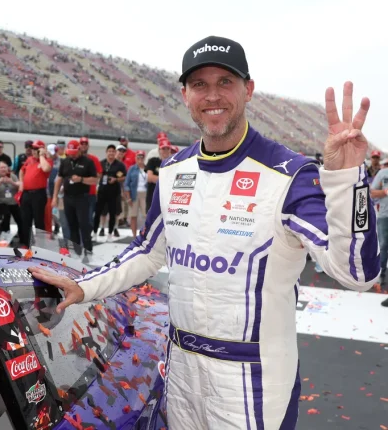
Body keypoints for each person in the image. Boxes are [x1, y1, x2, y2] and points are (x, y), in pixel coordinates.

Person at [28, 35, 379, 430]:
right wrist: (83, 285)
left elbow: (356, 274)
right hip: (181, 367)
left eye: (225, 82)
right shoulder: (174, 170)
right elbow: (148, 249)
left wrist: (348, 180)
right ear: (185, 95)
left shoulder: (290, 173)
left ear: (248, 89)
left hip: (253, 377)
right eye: (200, 85)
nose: (213, 95)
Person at [53, 140, 97, 262]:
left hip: (82, 197)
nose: (72, 155)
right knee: (72, 225)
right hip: (68, 198)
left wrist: (81, 180)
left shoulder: (88, 162)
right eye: (70, 153)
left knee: (84, 225)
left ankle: (88, 251)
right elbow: (59, 179)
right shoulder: (65, 161)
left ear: (79, 150)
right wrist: (55, 197)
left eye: (74, 152)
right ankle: (76, 251)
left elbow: (94, 180)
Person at [18, 140, 52, 247]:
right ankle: (26, 244)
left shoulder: (46, 160)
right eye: (32, 148)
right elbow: (21, 171)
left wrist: (42, 155)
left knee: (39, 220)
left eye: (36, 149)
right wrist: (21, 183)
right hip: (26, 194)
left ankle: (40, 245)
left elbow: (46, 168)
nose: (33, 151)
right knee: (25, 220)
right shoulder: (29, 160)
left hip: (38, 194)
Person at [94, 144, 126, 238]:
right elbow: (96, 174)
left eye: (113, 151)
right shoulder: (101, 163)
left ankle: (110, 233)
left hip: (114, 192)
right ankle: (97, 231)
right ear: (106, 152)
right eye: (109, 151)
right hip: (102, 191)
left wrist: (115, 179)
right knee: (99, 212)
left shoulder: (120, 165)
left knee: (113, 213)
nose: (111, 153)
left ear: (115, 153)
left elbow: (123, 177)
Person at [0, 162, 23, 236]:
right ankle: (5, 238)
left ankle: (23, 238)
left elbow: (20, 186)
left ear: (8, 168)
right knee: (6, 215)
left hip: (13, 202)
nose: (3, 169)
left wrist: (12, 182)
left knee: (21, 217)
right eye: (1, 167)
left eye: (5, 167)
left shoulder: (12, 176)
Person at [79, 137, 102, 235]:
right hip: (77, 193)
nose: (84, 145)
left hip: (90, 193)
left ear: (88, 146)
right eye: (82, 144)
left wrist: (87, 175)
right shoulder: (76, 158)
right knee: (78, 217)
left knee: (89, 218)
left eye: (85, 144)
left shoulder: (94, 159)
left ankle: (87, 237)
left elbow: (99, 174)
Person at [371, 157, 388, 289]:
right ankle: (380, 274)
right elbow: (371, 193)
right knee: (382, 246)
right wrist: (385, 192)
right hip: (384, 216)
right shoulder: (383, 173)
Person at [123, 150, 147, 236]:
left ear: (144, 158)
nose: (140, 159)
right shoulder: (132, 169)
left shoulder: (148, 168)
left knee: (146, 215)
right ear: (135, 158)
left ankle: (146, 235)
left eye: (142, 157)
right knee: (133, 216)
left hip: (145, 194)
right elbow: (126, 184)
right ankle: (134, 236)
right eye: (138, 157)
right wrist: (128, 197)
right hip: (134, 194)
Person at [144, 137, 172, 213]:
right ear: (159, 150)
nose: (165, 151)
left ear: (170, 150)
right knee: (151, 222)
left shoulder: (174, 163)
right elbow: (149, 178)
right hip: (152, 197)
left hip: (168, 199)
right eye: (163, 148)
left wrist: (156, 179)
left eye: (167, 148)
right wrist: (167, 180)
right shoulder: (152, 161)